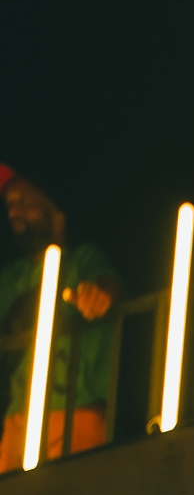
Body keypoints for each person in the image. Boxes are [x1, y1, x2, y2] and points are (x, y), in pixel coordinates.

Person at [0, 173, 121, 472]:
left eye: (24, 201)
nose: (13, 211)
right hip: (18, 418)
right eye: (10, 204)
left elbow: (109, 286)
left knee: (69, 494)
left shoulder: (82, 259)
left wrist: (98, 295)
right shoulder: (10, 278)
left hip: (77, 411)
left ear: (57, 217)